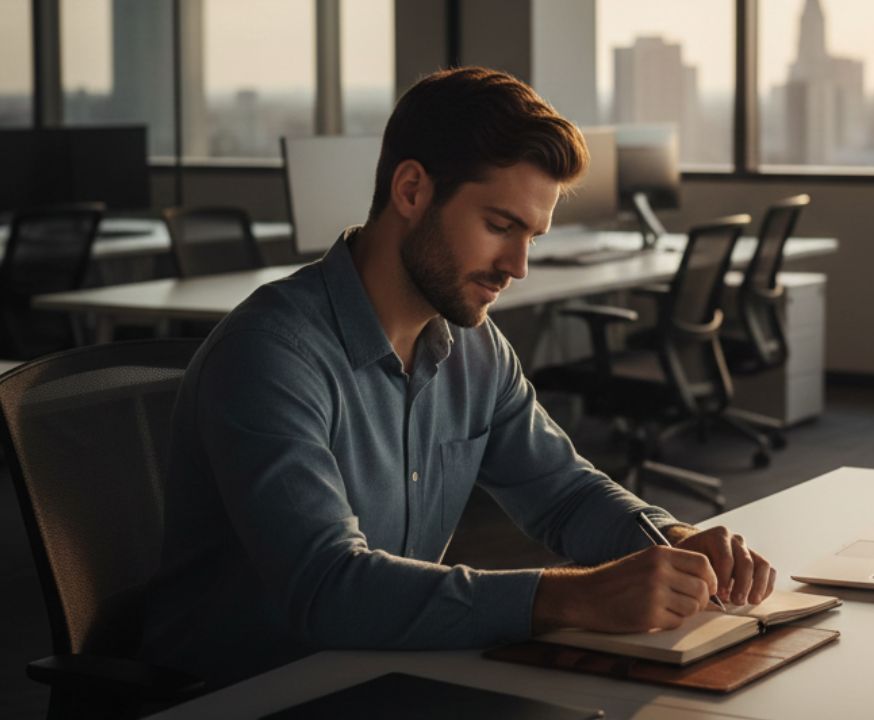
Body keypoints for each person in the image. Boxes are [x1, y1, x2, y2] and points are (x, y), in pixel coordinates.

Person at [142, 66, 775, 687]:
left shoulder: (473, 347)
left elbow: (564, 494)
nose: (518, 266)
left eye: (531, 235)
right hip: (248, 692)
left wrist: (673, 537)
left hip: (389, 671)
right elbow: (326, 588)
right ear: (412, 191)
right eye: (500, 226)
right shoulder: (272, 354)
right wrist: (572, 598)